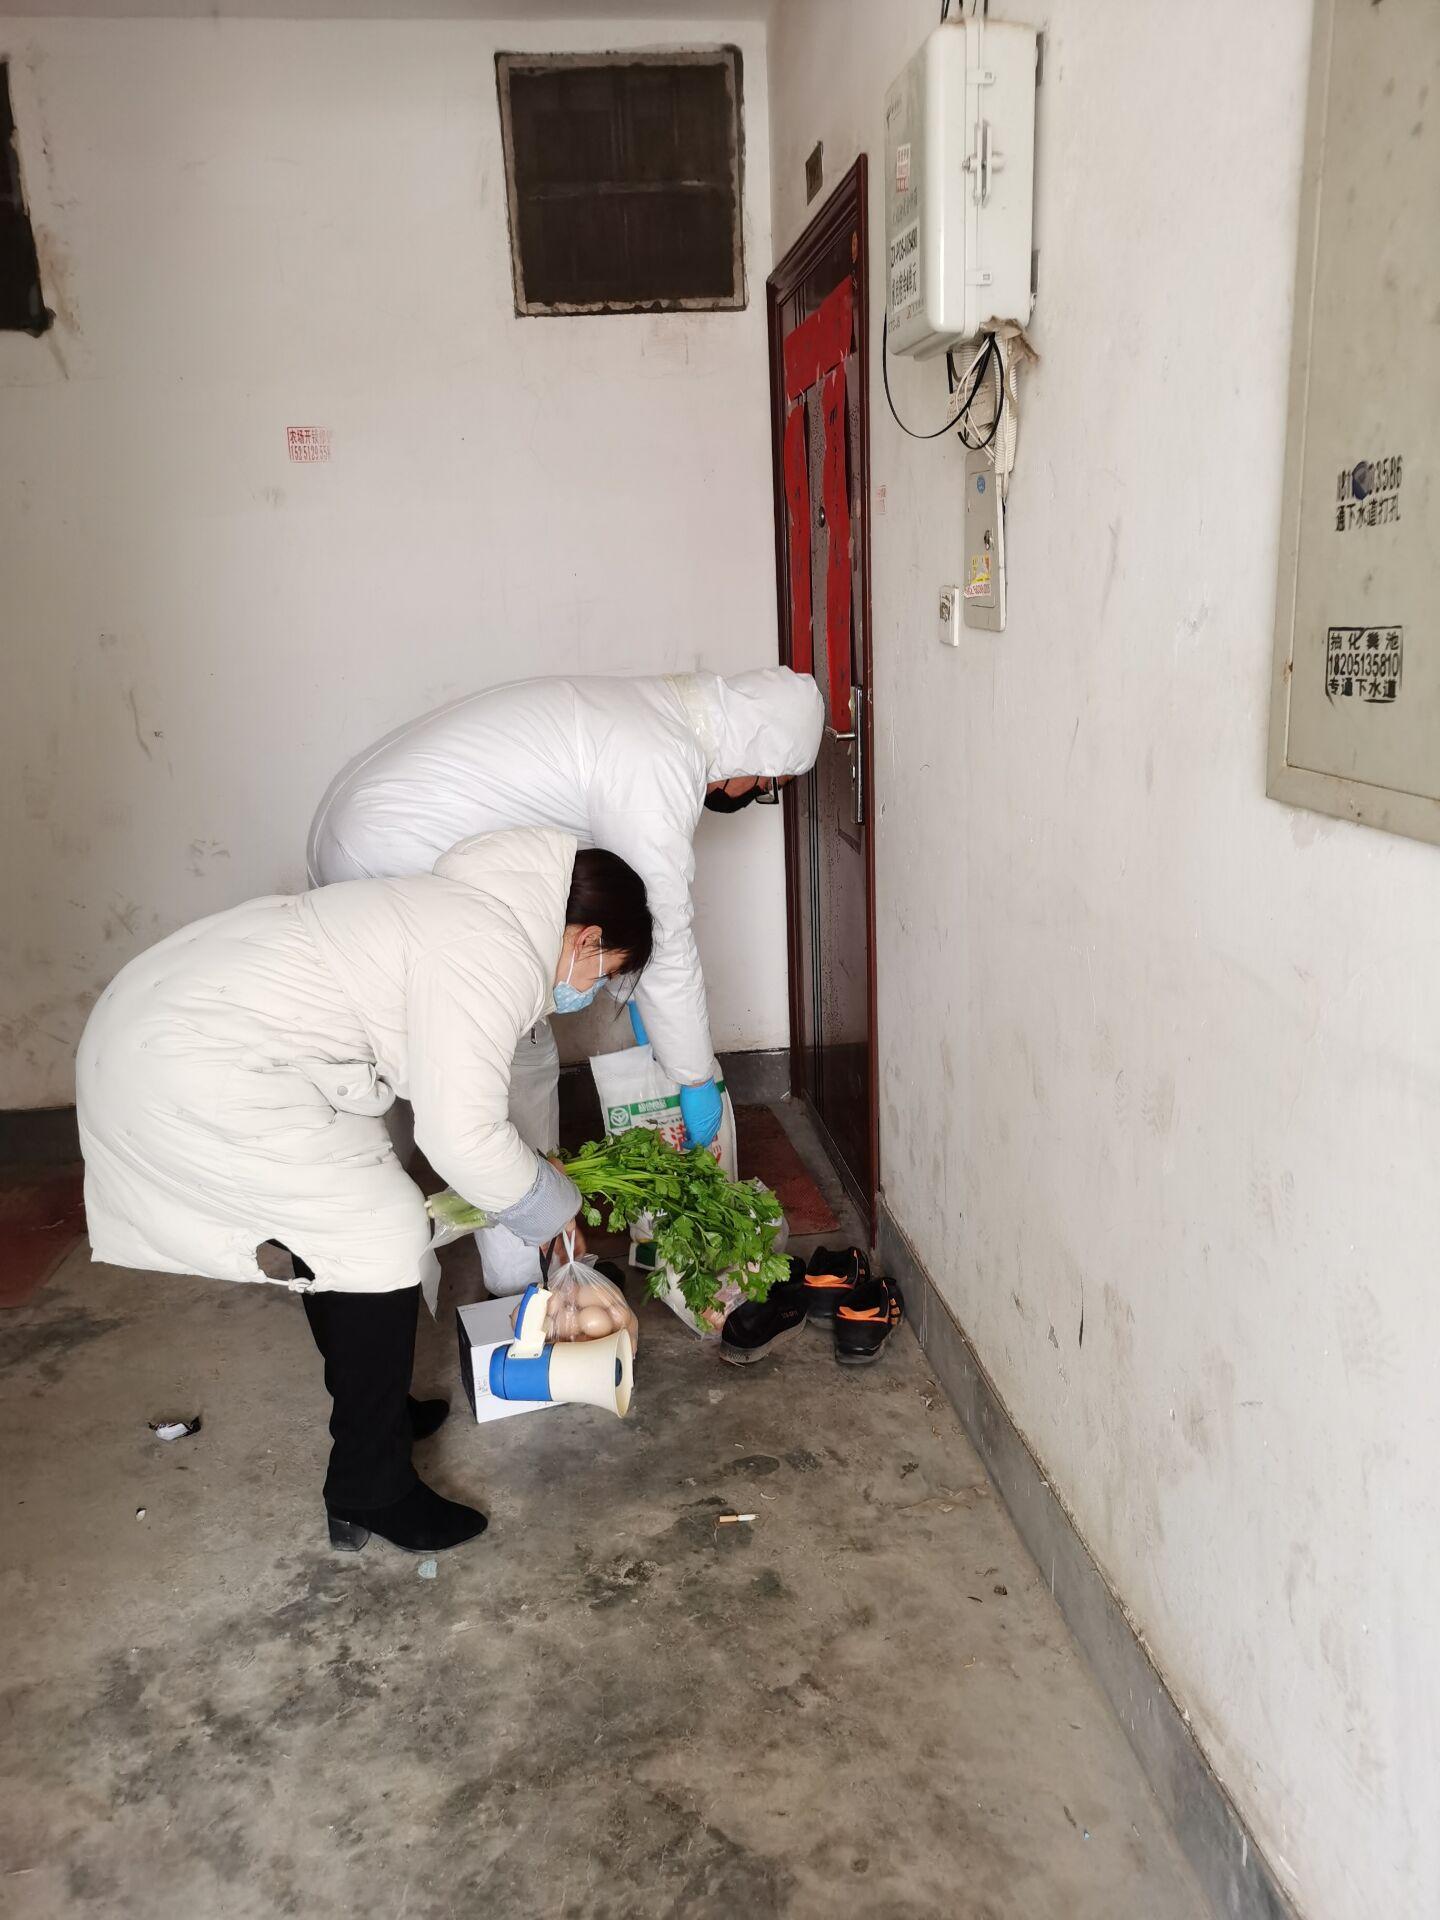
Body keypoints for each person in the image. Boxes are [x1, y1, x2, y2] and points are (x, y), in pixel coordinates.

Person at [77, 828, 653, 1556]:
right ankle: (368, 1487)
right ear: (587, 937)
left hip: (189, 1032)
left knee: (339, 1224)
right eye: (604, 972)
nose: (589, 990)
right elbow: (462, 1137)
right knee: (378, 1233)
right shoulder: (495, 950)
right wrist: (553, 1208)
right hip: (194, 1061)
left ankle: (375, 1410)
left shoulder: (476, 913)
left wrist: (535, 1187)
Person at [306, 667, 824, 1293]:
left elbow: (625, 911)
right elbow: (664, 930)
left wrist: (638, 1000)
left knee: (500, 1065)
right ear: (755, 756)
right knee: (507, 1074)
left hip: (362, 830)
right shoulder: (656, 761)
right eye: (767, 785)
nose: (750, 793)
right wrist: (694, 1076)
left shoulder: (655, 715)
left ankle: (535, 1258)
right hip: (388, 852)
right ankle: (524, 1282)